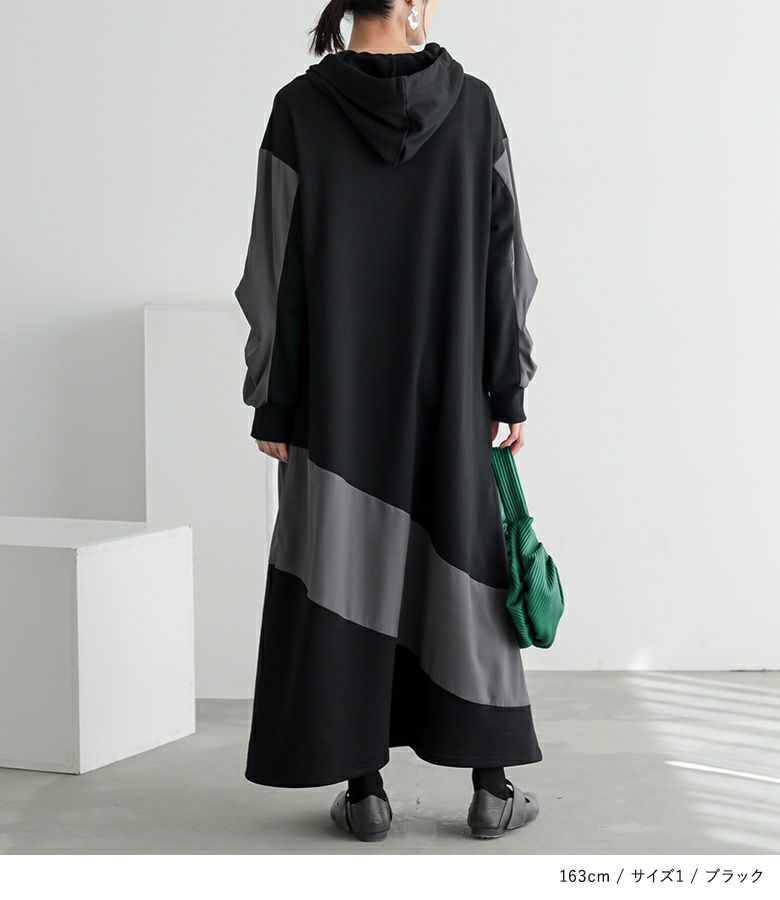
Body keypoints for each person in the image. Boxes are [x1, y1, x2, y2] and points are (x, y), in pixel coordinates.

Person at [235, 0, 542, 842]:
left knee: (346, 573)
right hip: (450, 398)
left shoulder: (300, 109)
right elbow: (506, 262)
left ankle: (365, 792)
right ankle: (491, 788)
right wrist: (506, 388)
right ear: (411, 4)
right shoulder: (474, 106)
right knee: (466, 574)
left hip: (337, 402)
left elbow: (273, 269)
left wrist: (274, 399)